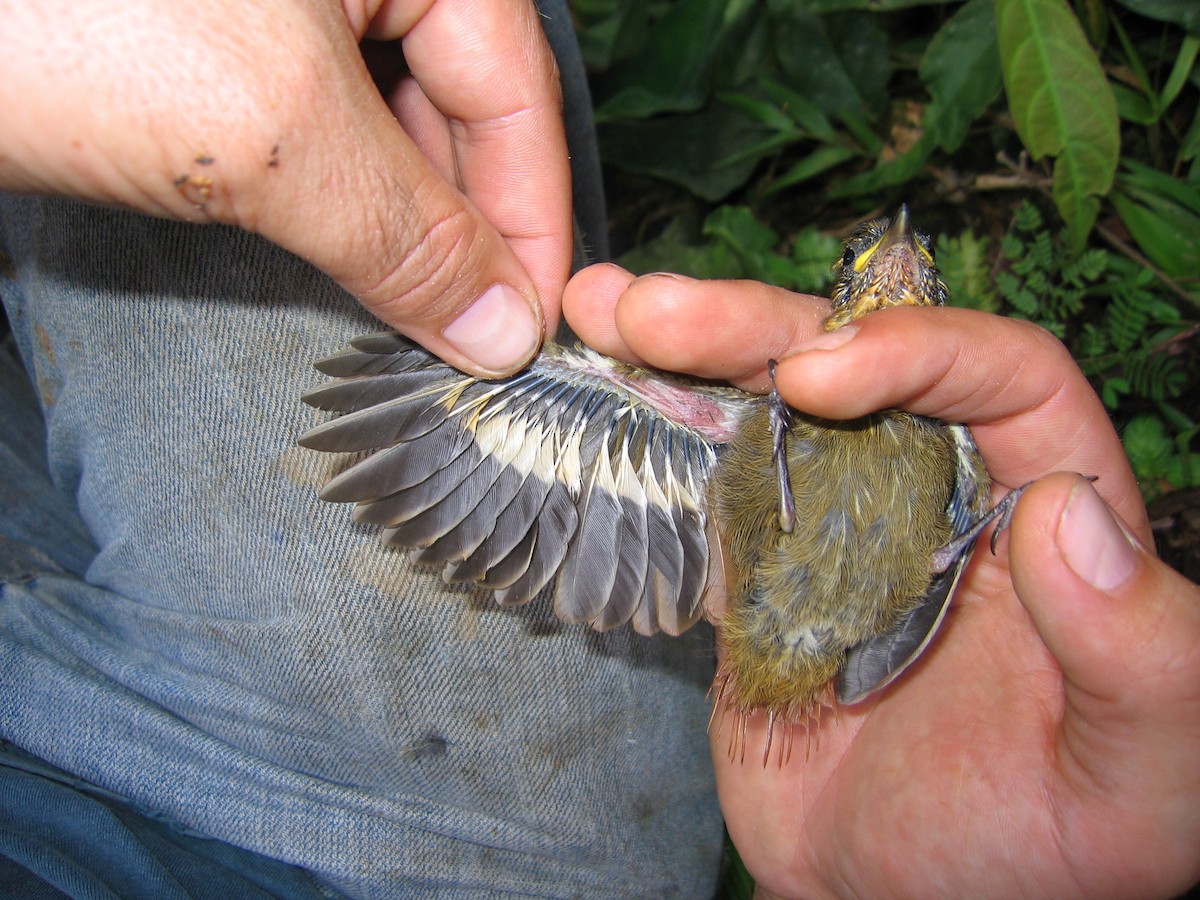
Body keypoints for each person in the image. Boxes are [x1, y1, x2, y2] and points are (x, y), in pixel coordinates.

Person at [0, 1, 1196, 897]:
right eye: (862, 270)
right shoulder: (851, 434)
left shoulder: (933, 445)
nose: (888, 267)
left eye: (908, 271)